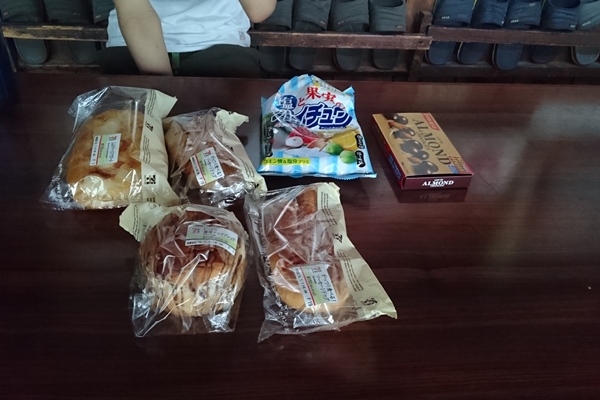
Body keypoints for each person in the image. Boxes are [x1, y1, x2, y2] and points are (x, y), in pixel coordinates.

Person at [98, 0, 276, 77]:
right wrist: (162, 86)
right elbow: (135, 12)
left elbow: (259, 10)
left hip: (221, 39)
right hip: (133, 43)